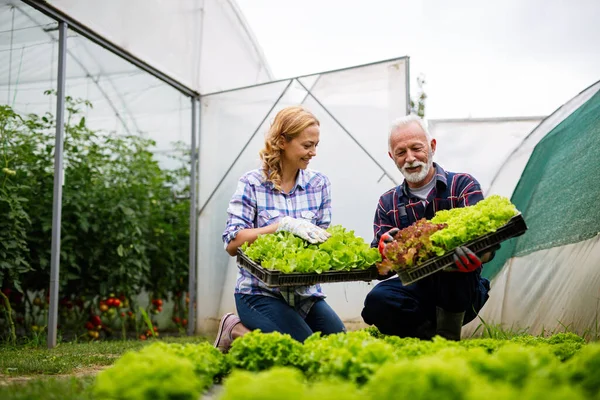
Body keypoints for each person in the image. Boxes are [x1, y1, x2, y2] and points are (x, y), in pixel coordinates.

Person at [213, 106, 346, 353]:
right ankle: (235, 328)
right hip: (258, 294)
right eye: (307, 145)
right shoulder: (252, 183)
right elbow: (232, 244)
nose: (313, 152)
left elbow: (322, 242)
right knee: (305, 351)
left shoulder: (319, 184)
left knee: (340, 345)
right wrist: (280, 226)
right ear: (283, 141)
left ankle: (251, 330)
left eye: (316, 145)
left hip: (305, 297)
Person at [361, 114, 494, 341]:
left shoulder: (462, 185)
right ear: (392, 157)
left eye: (416, 148)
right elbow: (383, 270)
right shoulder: (388, 202)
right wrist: (384, 252)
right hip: (417, 291)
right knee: (377, 300)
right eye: (401, 152)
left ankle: (448, 336)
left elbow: (487, 243)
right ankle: (430, 340)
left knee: (450, 265)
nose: (410, 158)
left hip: (462, 289)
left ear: (432, 147)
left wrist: (481, 254)